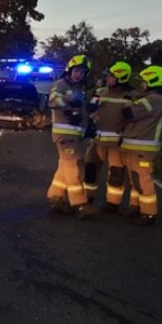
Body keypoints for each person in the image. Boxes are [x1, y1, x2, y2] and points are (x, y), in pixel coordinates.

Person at [46, 54, 99, 218]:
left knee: (65, 167)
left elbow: (82, 111)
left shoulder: (79, 89)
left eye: (82, 72)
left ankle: (55, 198)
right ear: (69, 70)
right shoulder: (61, 84)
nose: (79, 75)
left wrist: (88, 124)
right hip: (64, 135)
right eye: (77, 71)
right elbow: (53, 100)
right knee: (75, 167)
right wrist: (69, 106)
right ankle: (80, 204)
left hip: (74, 135)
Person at [119, 65, 162, 227]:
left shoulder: (155, 100)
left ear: (153, 81)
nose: (141, 85)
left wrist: (126, 102)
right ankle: (135, 207)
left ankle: (149, 213)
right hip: (140, 146)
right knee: (135, 178)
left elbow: (128, 113)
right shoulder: (160, 99)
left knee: (143, 180)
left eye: (143, 82)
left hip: (144, 147)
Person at [83, 61, 138, 211]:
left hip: (117, 142)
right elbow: (90, 109)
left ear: (121, 77)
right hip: (97, 140)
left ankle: (113, 203)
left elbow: (136, 119)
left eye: (111, 76)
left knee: (116, 173)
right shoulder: (100, 92)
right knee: (90, 168)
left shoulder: (133, 96)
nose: (108, 78)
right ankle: (87, 197)